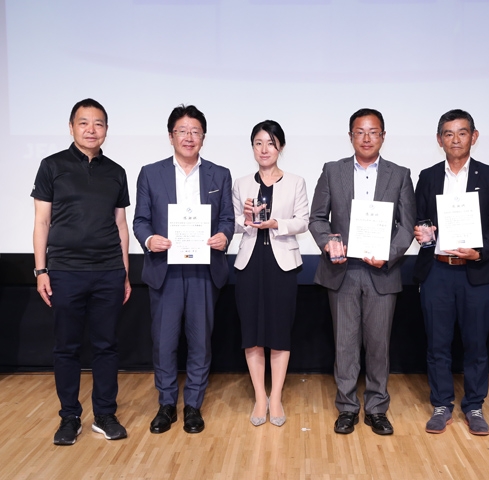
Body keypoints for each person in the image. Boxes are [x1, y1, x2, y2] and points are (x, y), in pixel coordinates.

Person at [309, 108, 416, 436]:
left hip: (382, 271)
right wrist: (328, 242)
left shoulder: (400, 174)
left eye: (373, 132)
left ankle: (377, 408)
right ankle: (347, 408)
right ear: (350, 136)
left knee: (378, 345)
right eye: (360, 132)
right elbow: (317, 218)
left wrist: (388, 254)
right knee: (345, 344)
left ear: (383, 136)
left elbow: (407, 225)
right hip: (343, 270)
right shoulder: (332, 170)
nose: (366, 138)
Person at [32, 98, 131, 445]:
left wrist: (125, 273)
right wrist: (41, 270)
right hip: (65, 271)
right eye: (84, 123)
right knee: (66, 348)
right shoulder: (52, 166)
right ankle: (69, 417)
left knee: (106, 346)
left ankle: (104, 414)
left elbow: (121, 225)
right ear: (71, 127)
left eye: (98, 123)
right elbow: (41, 222)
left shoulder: (116, 171)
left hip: (108, 271)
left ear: (106, 129)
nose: (91, 129)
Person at [133, 105, 234, 434]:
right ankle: (166, 404)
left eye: (195, 132)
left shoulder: (220, 174)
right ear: (171, 136)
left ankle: (193, 405)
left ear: (203, 137)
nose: (189, 137)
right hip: (166, 269)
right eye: (182, 131)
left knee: (200, 341)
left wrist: (224, 235)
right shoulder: (151, 173)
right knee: (164, 342)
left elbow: (227, 219)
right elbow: (140, 220)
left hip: (204, 270)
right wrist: (150, 239)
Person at [413, 109, 489, 436]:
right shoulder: (427, 176)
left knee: (476, 344)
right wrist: (422, 233)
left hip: (476, 272)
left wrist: (479, 251)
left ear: (473, 137)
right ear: (439, 139)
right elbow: (420, 220)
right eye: (449, 134)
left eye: (462, 133)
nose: (455, 139)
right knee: (437, 344)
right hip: (437, 271)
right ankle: (441, 404)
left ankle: (474, 406)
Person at [232, 120, 309, 427]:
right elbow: (231, 223)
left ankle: (275, 396)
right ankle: (259, 396)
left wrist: (277, 223)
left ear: (281, 147)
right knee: (251, 333)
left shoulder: (295, 182)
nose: (264, 149)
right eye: (258, 143)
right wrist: (245, 218)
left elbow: (303, 221)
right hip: (249, 263)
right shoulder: (241, 184)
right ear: (252, 147)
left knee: (279, 331)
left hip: (282, 264)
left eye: (271, 143)